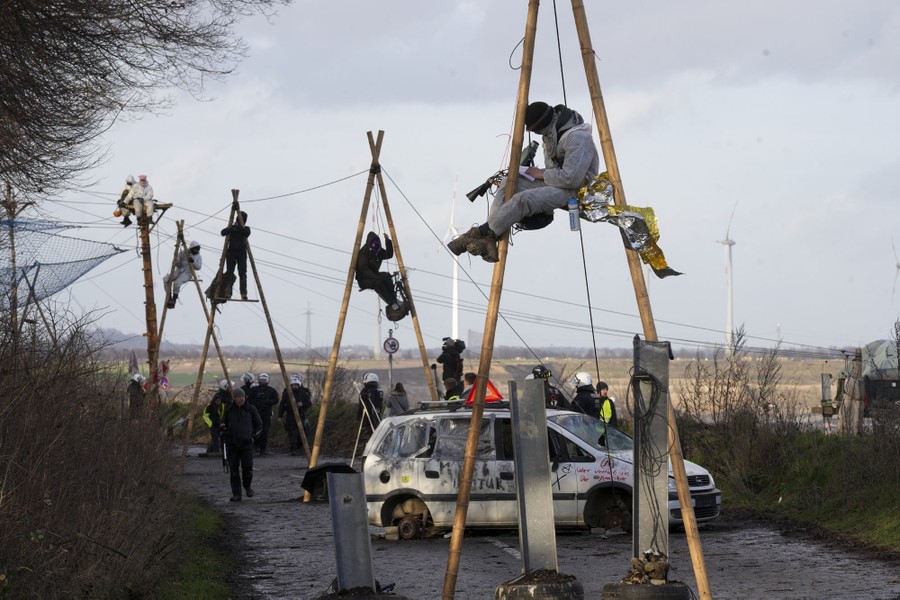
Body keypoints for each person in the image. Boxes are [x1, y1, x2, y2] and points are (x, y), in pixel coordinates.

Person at [448, 101, 600, 262]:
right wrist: (537, 174)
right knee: (509, 182)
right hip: (556, 181)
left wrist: (541, 173)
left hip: (576, 190)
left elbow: (572, 179)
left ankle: (483, 232)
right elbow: (552, 170)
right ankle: (490, 238)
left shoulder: (578, 137)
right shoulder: (551, 135)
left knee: (525, 198)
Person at [221, 388, 262, 502]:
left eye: (242, 397)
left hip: (247, 444)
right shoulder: (229, 410)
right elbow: (222, 423)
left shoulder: (251, 409)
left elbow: (259, 425)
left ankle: (247, 486)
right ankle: (236, 494)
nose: (241, 399)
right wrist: (223, 428)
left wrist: (253, 437)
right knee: (234, 470)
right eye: (238, 397)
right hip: (232, 444)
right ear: (234, 398)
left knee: (247, 468)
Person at [355, 231, 404, 313]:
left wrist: (388, 241)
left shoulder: (378, 250)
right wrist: (375, 276)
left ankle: (394, 298)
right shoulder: (363, 253)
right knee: (378, 283)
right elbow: (364, 269)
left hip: (374, 274)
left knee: (387, 276)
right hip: (364, 278)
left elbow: (388, 254)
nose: (376, 252)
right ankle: (391, 303)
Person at [220, 211, 251, 300]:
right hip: (231, 252)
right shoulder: (232, 228)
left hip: (241, 252)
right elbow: (222, 232)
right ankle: (228, 292)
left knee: (242, 273)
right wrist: (232, 228)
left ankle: (243, 293)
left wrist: (239, 227)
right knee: (230, 272)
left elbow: (246, 233)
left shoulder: (246, 228)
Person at [279, 373, 311, 455]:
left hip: (301, 415)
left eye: (296, 385)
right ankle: (294, 449)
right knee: (292, 432)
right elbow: (282, 403)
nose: (294, 386)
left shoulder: (304, 392)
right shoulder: (287, 392)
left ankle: (301, 448)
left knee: (303, 431)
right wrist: (280, 415)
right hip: (290, 415)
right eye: (293, 385)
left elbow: (309, 403)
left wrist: (302, 404)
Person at [164, 240, 202, 309]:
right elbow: (176, 262)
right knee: (166, 279)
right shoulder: (183, 252)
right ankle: (169, 297)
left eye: (197, 249)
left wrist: (193, 262)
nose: (196, 251)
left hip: (187, 273)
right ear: (191, 248)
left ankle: (174, 299)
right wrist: (176, 260)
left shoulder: (198, 256)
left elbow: (199, 267)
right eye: (195, 249)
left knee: (176, 283)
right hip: (178, 270)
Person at [248, 372, 279, 455]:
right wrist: (255, 402)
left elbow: (276, 400)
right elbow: (249, 400)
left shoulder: (271, 390)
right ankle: (255, 447)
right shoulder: (254, 390)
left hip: (266, 414)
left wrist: (269, 401)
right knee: (254, 430)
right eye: (261, 380)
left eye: (264, 380)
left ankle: (263, 449)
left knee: (265, 431)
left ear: (267, 381)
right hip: (255, 414)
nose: (262, 381)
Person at [202, 391, 226, 455]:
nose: (218, 402)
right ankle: (216, 452)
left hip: (219, 424)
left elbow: (222, 415)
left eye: (219, 401)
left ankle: (217, 450)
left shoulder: (222, 406)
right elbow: (205, 416)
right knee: (215, 437)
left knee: (222, 437)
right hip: (212, 425)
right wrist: (210, 424)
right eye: (217, 401)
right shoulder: (210, 406)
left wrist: (222, 422)